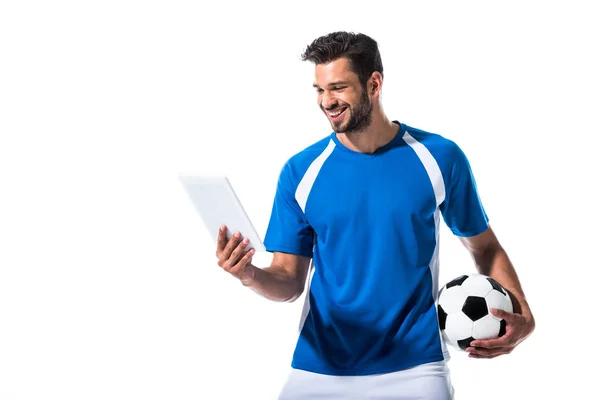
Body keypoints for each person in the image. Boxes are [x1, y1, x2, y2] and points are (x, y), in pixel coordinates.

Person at [214, 31, 535, 400]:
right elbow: (289, 283)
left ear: (374, 83)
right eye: (319, 90)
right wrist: (249, 274)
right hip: (319, 368)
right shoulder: (300, 171)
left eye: (338, 88)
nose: (326, 102)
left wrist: (523, 313)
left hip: (415, 368)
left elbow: (485, 248)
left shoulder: (439, 158)